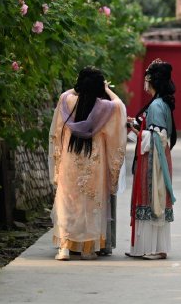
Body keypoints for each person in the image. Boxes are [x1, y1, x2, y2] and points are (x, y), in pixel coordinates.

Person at [48, 66, 126, 260]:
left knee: (68, 200)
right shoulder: (104, 107)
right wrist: (106, 88)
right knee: (91, 203)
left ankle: (64, 248)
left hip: (70, 158)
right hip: (94, 162)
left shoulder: (66, 101)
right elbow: (120, 105)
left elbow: (57, 130)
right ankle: (87, 249)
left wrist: (79, 87)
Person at [127, 59, 177, 260]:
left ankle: (153, 248)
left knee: (152, 197)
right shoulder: (160, 103)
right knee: (154, 197)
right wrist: (138, 127)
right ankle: (152, 246)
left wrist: (138, 132)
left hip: (154, 160)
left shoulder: (156, 105)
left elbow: (158, 136)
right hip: (157, 157)